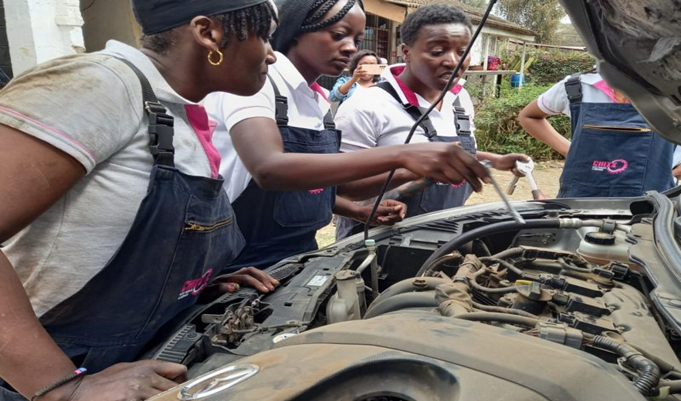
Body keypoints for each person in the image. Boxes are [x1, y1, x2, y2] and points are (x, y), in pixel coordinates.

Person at [0, 1, 282, 400]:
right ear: (209, 33)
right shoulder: (100, 85)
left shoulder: (172, 111)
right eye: (265, 35)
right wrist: (62, 387)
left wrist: (189, 286)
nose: (271, 53)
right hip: (32, 379)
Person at [203, 0, 492, 271]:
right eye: (339, 35)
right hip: (240, 256)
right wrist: (404, 155)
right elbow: (268, 171)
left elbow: (308, 188)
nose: (350, 49)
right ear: (296, 29)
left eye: (356, 39)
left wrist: (357, 211)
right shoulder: (259, 84)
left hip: (299, 253)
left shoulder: (316, 101)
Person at [333, 4, 528, 239]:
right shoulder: (366, 105)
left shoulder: (460, 99)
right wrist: (412, 171)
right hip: (378, 238)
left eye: (462, 51)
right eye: (437, 51)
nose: (453, 61)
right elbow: (344, 189)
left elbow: (452, 153)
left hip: (448, 233)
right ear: (406, 52)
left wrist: (495, 160)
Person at [519, 70, 676, 197]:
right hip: (580, 207)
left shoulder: (673, 92)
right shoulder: (578, 86)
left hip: (652, 209)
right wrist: (568, 149)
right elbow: (528, 116)